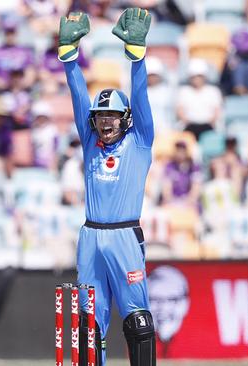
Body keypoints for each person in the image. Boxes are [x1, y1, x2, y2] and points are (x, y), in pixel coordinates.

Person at [58, 8, 156, 365]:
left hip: (125, 237)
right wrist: (69, 58)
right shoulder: (89, 141)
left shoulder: (140, 141)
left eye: (113, 116)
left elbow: (141, 96)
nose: (106, 123)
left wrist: (137, 57)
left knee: (138, 321)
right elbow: (77, 96)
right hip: (90, 237)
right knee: (87, 323)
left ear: (126, 119)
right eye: (100, 117)